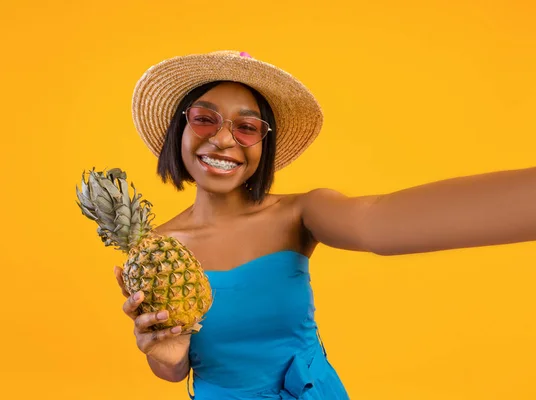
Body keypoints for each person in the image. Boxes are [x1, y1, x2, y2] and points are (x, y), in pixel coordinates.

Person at [113, 50, 536, 399]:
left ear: (265, 147)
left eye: (247, 128)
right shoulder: (156, 249)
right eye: (205, 119)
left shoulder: (299, 213)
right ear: (179, 131)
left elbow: (377, 223)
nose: (224, 139)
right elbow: (172, 368)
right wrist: (166, 355)